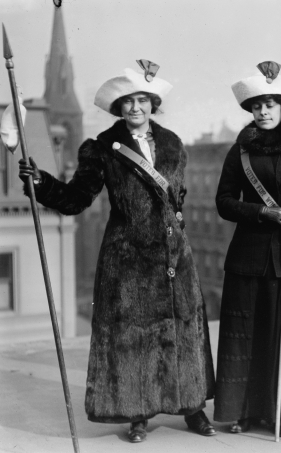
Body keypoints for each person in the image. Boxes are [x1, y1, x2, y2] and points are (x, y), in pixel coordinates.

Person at [18, 63, 216, 443]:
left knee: (184, 331)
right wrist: (41, 182)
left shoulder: (174, 143)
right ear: (118, 106)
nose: (135, 107)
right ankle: (136, 413)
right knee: (131, 337)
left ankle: (193, 407)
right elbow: (77, 199)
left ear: (152, 103)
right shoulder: (101, 148)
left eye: (142, 100)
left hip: (175, 257)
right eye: (128, 101)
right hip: (128, 258)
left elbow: (177, 198)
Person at [214, 61, 281, 437]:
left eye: (270, 104)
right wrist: (262, 211)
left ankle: (278, 411)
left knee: (280, 335)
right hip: (248, 256)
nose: (263, 112)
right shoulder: (241, 151)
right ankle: (240, 411)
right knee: (244, 334)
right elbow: (223, 202)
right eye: (256, 106)